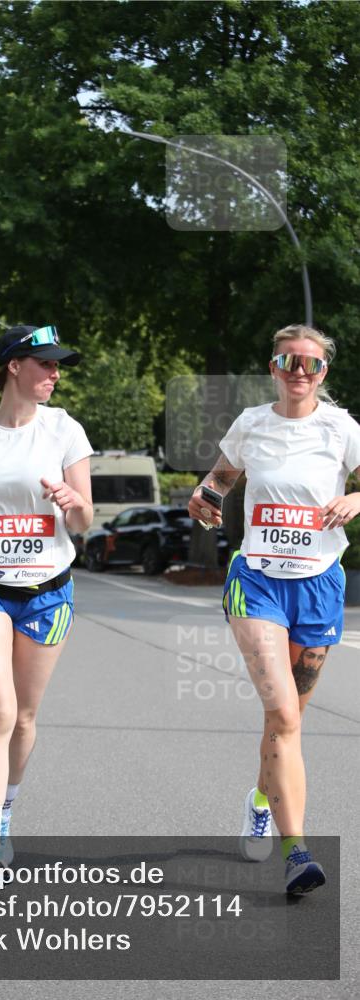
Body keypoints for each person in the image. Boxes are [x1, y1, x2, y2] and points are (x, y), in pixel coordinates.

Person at [188, 324, 360, 895]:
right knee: (285, 716)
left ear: (323, 372)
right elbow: (221, 477)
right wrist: (205, 495)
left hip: (319, 585)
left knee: (286, 721)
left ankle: (261, 799)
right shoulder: (252, 424)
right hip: (257, 581)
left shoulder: (341, 428)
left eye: (310, 363)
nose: (299, 371)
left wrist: (356, 496)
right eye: (288, 360)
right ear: (273, 366)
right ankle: (298, 854)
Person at [0, 324, 93, 881]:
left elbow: (83, 519)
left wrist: (74, 502)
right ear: (14, 367)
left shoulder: (65, 431)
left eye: (58, 366)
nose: (55, 375)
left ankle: (4, 812)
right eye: (46, 364)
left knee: (25, 718)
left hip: (49, 592)